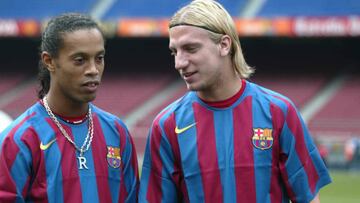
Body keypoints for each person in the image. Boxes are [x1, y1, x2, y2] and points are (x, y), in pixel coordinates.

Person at [139, 0, 331, 202]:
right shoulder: (167, 126)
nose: (179, 62)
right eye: (174, 52)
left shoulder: (279, 112)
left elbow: (308, 198)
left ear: (224, 45)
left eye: (190, 49)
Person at [0, 13, 138, 202]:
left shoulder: (117, 132)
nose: (93, 70)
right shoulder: (19, 139)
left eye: (99, 58)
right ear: (49, 61)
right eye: (80, 60)